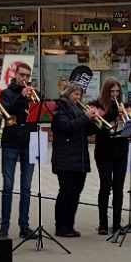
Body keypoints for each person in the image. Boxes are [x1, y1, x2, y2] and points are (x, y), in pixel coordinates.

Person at [0, 62, 38, 238]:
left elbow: (38, 114)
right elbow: (6, 112)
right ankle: (4, 226)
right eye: (22, 75)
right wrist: (21, 97)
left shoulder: (32, 94)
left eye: (27, 76)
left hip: (29, 143)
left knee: (26, 187)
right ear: (15, 74)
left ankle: (24, 226)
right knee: (8, 187)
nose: (24, 79)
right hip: (10, 143)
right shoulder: (6, 93)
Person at [51, 81, 94, 238]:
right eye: (76, 94)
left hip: (79, 157)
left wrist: (94, 121)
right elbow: (65, 126)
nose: (79, 97)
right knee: (66, 191)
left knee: (76, 192)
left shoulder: (78, 109)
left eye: (80, 94)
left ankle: (70, 224)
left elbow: (86, 130)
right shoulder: (60, 107)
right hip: (65, 156)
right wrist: (85, 118)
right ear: (68, 94)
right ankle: (61, 226)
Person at [91, 77, 130, 236]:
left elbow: (129, 125)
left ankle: (116, 223)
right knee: (105, 186)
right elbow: (97, 127)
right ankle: (103, 223)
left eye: (117, 91)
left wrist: (124, 116)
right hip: (104, 150)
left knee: (119, 187)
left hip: (121, 149)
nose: (115, 95)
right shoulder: (96, 105)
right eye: (112, 92)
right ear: (106, 92)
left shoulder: (124, 106)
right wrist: (113, 113)